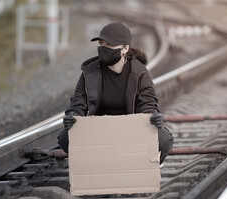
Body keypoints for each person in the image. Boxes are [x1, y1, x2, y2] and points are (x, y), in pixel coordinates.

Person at [57, 22, 174, 164]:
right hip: (100, 129)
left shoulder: (140, 73)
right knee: (65, 137)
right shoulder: (90, 72)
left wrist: (152, 115)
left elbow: (148, 103)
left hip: (131, 129)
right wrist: (73, 115)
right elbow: (78, 102)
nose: (103, 48)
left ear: (125, 49)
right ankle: (93, 167)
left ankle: (149, 167)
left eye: (109, 45)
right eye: (101, 43)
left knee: (163, 138)